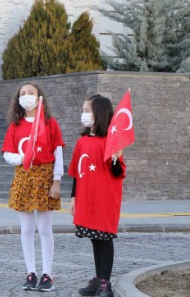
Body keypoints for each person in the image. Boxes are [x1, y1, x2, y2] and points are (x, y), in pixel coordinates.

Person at [1, 83, 65, 291]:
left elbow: (58, 153)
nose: (26, 97)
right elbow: (7, 153)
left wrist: (57, 180)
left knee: (45, 228)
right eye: (23, 94)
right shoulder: (15, 125)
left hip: (45, 176)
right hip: (24, 175)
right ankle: (31, 272)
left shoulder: (50, 123)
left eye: (31, 93)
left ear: (39, 98)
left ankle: (47, 273)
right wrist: (22, 157)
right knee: (26, 228)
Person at [69, 94, 126, 297]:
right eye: (83, 110)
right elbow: (76, 172)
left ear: (99, 114)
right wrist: (74, 197)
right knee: (94, 238)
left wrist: (115, 159)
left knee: (104, 239)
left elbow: (118, 172)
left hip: (104, 199)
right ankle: (99, 278)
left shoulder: (111, 141)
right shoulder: (82, 141)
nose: (84, 115)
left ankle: (105, 283)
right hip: (87, 198)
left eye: (88, 111)